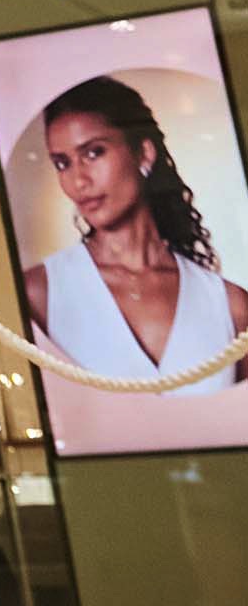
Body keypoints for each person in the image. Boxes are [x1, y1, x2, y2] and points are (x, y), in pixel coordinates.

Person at [24, 74, 248, 383]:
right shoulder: (39, 293)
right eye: (63, 163)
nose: (79, 181)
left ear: (144, 153)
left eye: (94, 153)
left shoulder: (231, 305)